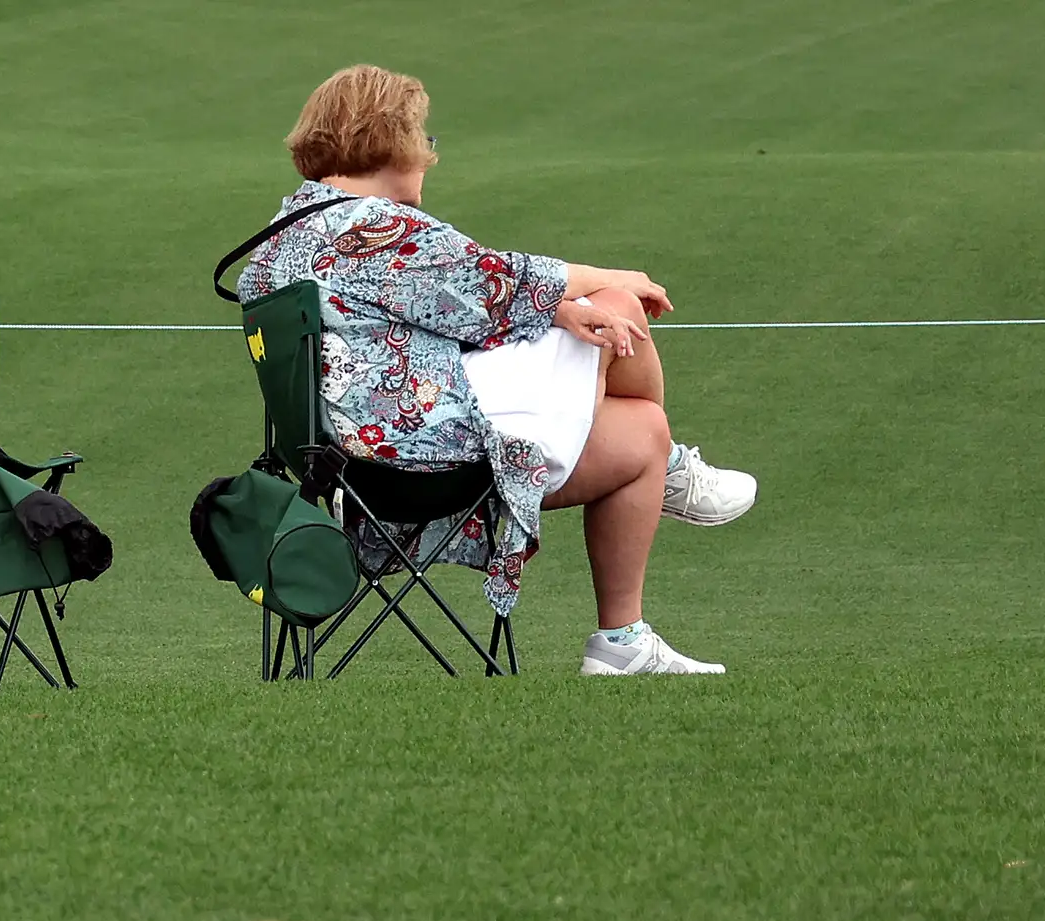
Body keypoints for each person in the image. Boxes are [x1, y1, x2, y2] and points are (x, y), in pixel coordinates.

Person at [234, 64, 754, 676]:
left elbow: (464, 302)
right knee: (621, 322)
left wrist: (559, 310)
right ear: (390, 142)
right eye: (422, 141)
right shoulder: (380, 230)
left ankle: (655, 510)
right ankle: (633, 599)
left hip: (342, 460)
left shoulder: (286, 232)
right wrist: (616, 281)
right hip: (420, 459)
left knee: (636, 415)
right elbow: (499, 283)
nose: (428, 158)